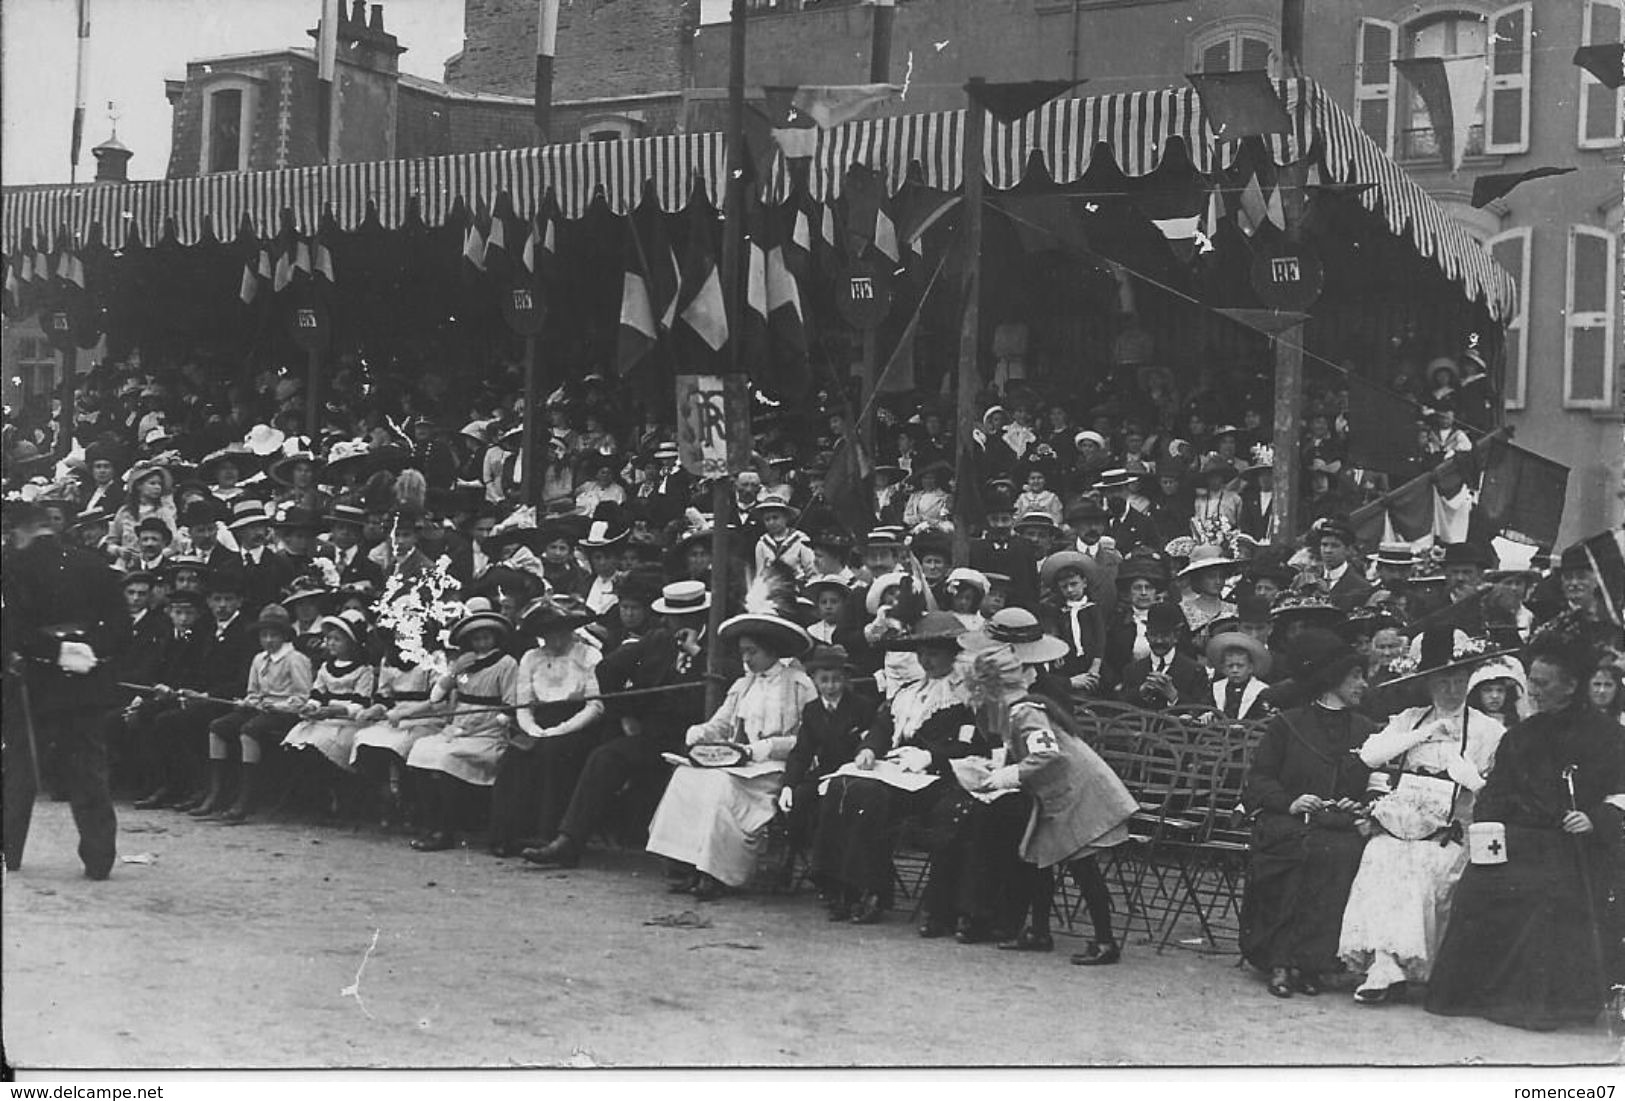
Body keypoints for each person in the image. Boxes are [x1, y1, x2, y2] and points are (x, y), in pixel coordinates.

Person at [1426, 641, 1625, 1031]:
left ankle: (1539, 1004)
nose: (1532, 690)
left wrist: (1595, 818)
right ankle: (1473, 995)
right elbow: (1495, 793)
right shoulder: (1520, 735)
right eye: (1531, 681)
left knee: (1545, 892)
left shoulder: (1608, 736)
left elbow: (1621, 792)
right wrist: (1487, 828)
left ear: (1570, 686)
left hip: (1578, 844)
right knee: (1477, 886)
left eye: (1543, 683)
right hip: (1518, 838)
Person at [1337, 628, 1508, 1005]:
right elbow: (1369, 758)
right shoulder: (1410, 720)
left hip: (1453, 831)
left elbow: (1500, 796)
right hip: (1400, 826)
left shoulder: (1488, 730)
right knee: (1380, 854)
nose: (1452, 690)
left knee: (1422, 864)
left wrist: (1472, 780)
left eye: (1460, 681)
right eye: (1443, 681)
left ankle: (1405, 963)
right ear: (1428, 683)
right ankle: (1382, 962)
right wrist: (1422, 735)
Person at [809, 612, 984, 935]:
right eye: (921, 653)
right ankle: (841, 886)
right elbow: (882, 727)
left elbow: (970, 747)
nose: (926, 660)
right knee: (842, 785)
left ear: (951, 654)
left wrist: (931, 755)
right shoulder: (908, 692)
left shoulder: (966, 696)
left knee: (869, 795)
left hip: (937, 780)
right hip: (896, 770)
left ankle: (873, 891)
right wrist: (869, 750)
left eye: (934, 653)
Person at [520, 580, 714, 870]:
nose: (678, 624)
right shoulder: (658, 639)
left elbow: (730, 680)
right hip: (655, 733)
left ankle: (685, 859)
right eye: (674, 618)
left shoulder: (717, 644)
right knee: (606, 756)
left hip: (702, 735)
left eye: (686, 619)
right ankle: (568, 842)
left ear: (701, 617)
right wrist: (626, 714)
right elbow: (607, 669)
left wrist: (697, 653)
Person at [957, 645, 1137, 953]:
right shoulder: (1016, 709)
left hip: (1077, 793)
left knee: (1084, 869)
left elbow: (1046, 753)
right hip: (1057, 796)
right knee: (1041, 863)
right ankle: (1040, 932)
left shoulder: (1024, 711)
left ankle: (1106, 941)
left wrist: (1009, 775)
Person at [1239, 628, 1376, 998]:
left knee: (1340, 853)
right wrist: (1291, 802)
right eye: (1355, 676)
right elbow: (1260, 779)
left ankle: (1311, 962)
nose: (1363, 684)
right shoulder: (1288, 724)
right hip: (1287, 818)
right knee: (1302, 851)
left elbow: (1372, 784)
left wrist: (1358, 803)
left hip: (1337, 824)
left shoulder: (1365, 730)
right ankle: (1281, 961)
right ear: (1332, 680)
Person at [646, 605, 814, 900]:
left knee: (721, 786)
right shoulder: (742, 684)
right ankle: (689, 864)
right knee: (687, 777)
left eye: (753, 652)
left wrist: (768, 747)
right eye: (743, 652)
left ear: (771, 650)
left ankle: (717, 873)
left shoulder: (799, 684)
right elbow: (721, 723)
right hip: (742, 763)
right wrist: (699, 732)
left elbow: (809, 738)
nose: (746, 659)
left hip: (778, 767)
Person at [3, 501, 127, 880]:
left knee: (20, 769)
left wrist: (53, 650)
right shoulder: (93, 563)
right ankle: (99, 858)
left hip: (35, 682)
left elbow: (12, 631)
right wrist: (89, 650)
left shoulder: (12, 567)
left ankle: (11, 854)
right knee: (89, 767)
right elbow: (121, 627)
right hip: (85, 679)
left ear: (22, 531)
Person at [487, 596, 603, 857]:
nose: (557, 640)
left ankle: (547, 834)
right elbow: (523, 704)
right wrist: (532, 728)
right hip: (538, 723)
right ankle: (509, 835)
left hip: (578, 725)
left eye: (562, 632)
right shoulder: (531, 657)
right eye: (550, 634)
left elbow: (595, 706)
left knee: (554, 754)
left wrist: (559, 730)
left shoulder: (588, 655)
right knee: (515, 756)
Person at [404, 599, 519, 852]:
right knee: (421, 749)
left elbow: (511, 701)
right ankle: (431, 822)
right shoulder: (464, 663)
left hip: (489, 731)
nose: (481, 643)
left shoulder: (507, 663)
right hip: (459, 727)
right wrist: (452, 672)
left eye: (486, 637)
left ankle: (447, 830)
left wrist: (503, 717)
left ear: (495, 637)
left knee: (447, 758)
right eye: (476, 639)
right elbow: (437, 696)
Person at [777, 643, 876, 903]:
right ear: (815, 681)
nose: (831, 686)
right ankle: (790, 859)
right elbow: (802, 752)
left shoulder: (861, 706)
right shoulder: (812, 710)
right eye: (824, 680)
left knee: (833, 807)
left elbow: (871, 741)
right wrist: (789, 784)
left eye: (836, 680)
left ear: (845, 679)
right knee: (797, 798)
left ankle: (831, 874)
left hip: (853, 771)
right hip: (824, 772)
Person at [200, 603, 314, 823]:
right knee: (218, 727)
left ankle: (247, 798)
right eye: (264, 635)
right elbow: (253, 692)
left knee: (249, 730)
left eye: (274, 635)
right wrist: (247, 702)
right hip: (261, 710)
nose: (269, 640)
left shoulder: (295, 659)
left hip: (286, 714)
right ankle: (217, 793)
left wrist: (278, 707)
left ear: (284, 636)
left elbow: (302, 698)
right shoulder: (259, 659)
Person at [282, 608, 377, 781]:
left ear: (351, 643)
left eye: (337, 639)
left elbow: (360, 705)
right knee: (299, 741)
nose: (331, 643)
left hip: (348, 722)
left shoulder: (364, 670)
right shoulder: (326, 667)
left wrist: (333, 711)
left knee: (322, 745)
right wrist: (311, 706)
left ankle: (339, 788)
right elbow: (318, 694)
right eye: (329, 638)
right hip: (325, 719)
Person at [1205, 630, 1273, 721]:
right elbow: (1207, 708)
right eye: (1230, 666)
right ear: (1223, 668)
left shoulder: (1261, 690)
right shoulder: (1216, 688)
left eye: (1240, 666)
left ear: (1250, 668)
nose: (1235, 670)